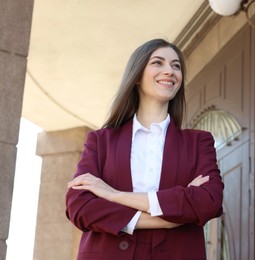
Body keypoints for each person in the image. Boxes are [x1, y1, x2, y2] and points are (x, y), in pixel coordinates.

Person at [65, 38, 224, 260]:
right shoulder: (101, 141)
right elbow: (80, 207)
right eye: (158, 63)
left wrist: (113, 195)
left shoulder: (199, 142)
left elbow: (209, 201)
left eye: (176, 66)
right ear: (137, 75)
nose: (169, 70)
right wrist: (169, 218)